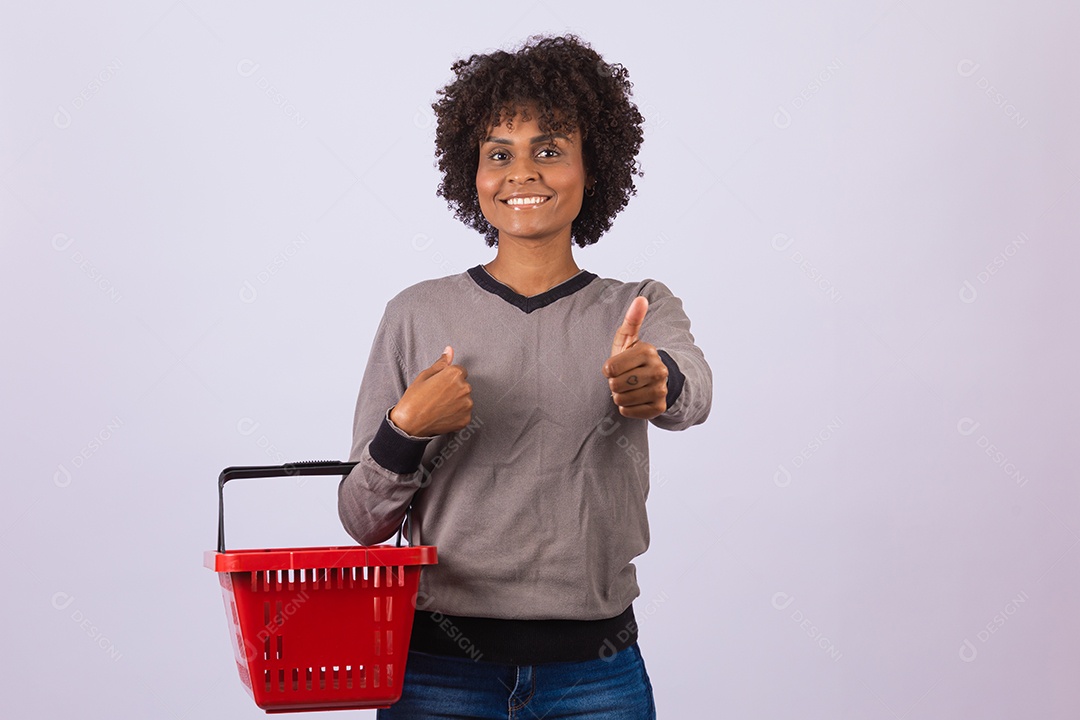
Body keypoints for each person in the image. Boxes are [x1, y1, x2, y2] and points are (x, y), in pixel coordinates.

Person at [338, 34, 712, 719]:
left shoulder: (639, 305)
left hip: (595, 676)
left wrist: (656, 379)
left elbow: (691, 392)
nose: (522, 174)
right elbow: (361, 519)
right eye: (499, 154)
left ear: (590, 167)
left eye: (549, 150)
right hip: (436, 675)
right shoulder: (416, 314)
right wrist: (405, 430)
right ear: (472, 172)